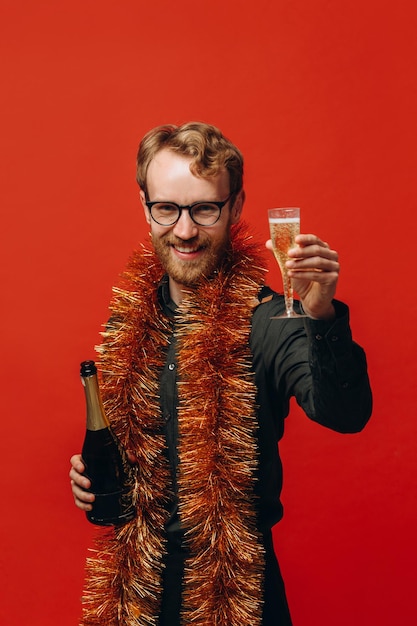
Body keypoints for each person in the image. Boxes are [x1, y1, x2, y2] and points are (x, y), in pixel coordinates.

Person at [70, 122, 372, 626]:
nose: (184, 230)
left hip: (239, 597)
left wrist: (321, 320)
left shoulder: (271, 321)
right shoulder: (129, 320)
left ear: (235, 206)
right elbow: (127, 463)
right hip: (136, 598)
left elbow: (346, 413)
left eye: (204, 208)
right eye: (167, 208)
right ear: (144, 205)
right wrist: (92, 479)